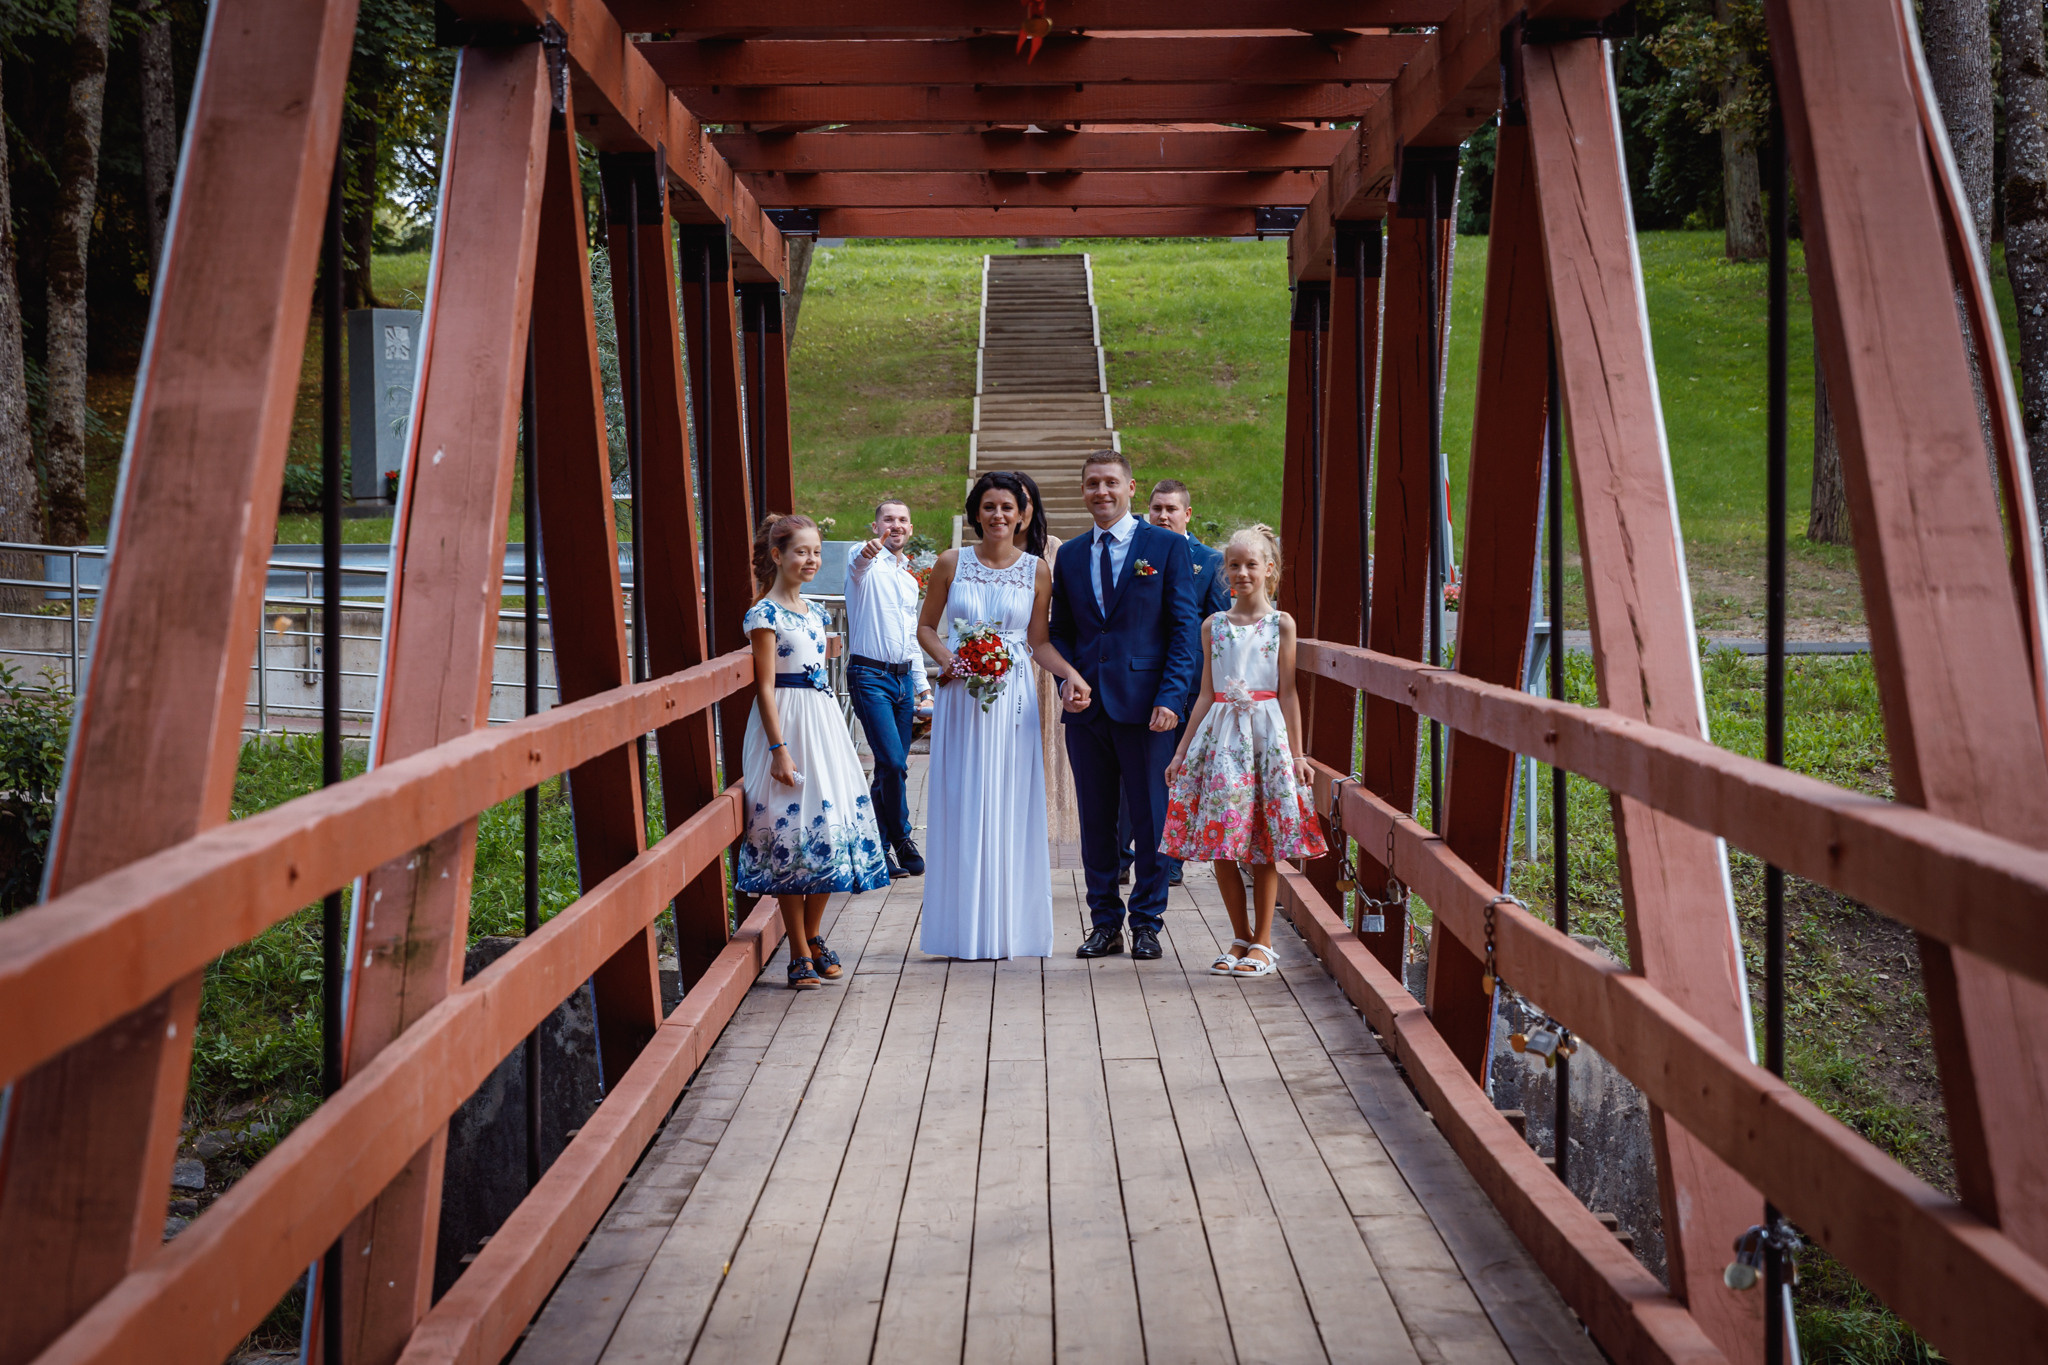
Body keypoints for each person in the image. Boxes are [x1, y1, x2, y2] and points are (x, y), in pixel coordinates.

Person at [916, 472, 1087, 959]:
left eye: (1007, 508)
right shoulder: (951, 563)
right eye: (989, 507)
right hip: (960, 694)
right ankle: (961, 928)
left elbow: (1038, 643)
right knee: (963, 798)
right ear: (976, 513)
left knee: (1010, 800)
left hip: (1011, 697)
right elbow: (926, 628)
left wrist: (1070, 675)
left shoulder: (1036, 569)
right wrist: (951, 660)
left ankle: (1011, 927)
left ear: (1021, 514)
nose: (998, 516)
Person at [1049, 451, 1202, 961]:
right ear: (1083, 489)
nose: (1101, 492)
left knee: (1151, 817)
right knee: (1094, 821)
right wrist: (1065, 682)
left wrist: (1172, 697)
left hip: (1147, 708)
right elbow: (1062, 631)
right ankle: (1103, 922)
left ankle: (1147, 922)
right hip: (1087, 709)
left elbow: (1184, 631)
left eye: (1110, 482)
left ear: (1131, 487)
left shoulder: (1164, 547)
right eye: (1092, 483)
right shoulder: (1070, 555)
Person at [1162, 525, 1328, 977]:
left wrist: (1297, 755)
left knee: (1262, 843)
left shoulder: (1281, 624)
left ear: (1269, 570)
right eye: (1233, 565)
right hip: (1221, 739)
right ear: (1224, 574)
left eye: (1250, 564)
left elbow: (1289, 692)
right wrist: (1180, 754)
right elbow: (1204, 693)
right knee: (1222, 838)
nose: (1241, 572)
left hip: (1265, 737)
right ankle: (1238, 936)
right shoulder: (1213, 626)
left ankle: (1264, 942)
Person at [738, 513, 892, 989]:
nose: (810, 560)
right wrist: (779, 749)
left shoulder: (817, 612)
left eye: (816, 553)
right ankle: (799, 952)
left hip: (823, 723)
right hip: (785, 723)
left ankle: (813, 933)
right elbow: (765, 687)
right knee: (790, 825)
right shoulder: (764, 614)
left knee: (830, 820)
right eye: (800, 551)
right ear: (777, 555)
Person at [1118, 478, 1233, 887]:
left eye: (1171, 509)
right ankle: (1122, 853)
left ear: (1188, 514)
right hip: (1140, 682)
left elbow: (1216, 629)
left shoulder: (1210, 560)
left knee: (1178, 773)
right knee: (1130, 775)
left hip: (1189, 687)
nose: (1163, 516)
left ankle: (1172, 856)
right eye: (1156, 509)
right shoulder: (1135, 554)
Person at [844, 497, 932, 878]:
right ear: (875, 526)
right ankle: (901, 836)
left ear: (910, 529)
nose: (896, 525)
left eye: (903, 520)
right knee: (894, 762)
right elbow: (858, 562)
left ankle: (878, 849)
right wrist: (868, 551)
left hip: (901, 680)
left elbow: (912, 639)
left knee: (890, 768)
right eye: (888, 520)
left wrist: (922, 688)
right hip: (869, 676)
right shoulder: (863, 564)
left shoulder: (909, 580)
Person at [1013, 471, 1081, 848]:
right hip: (1001, 662)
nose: (1016, 509)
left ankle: (1043, 826)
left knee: (1045, 742)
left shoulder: (1055, 548)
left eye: (1023, 500)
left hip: (1045, 660)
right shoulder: (987, 552)